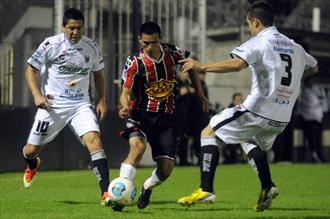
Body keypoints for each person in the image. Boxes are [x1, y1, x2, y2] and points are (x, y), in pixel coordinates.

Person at [177, 1, 318, 211]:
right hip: (282, 117)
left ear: (255, 22)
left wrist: (202, 66)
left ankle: (206, 189)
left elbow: (237, 64)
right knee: (248, 139)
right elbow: (314, 67)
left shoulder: (260, 41)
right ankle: (267, 186)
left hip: (257, 109)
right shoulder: (294, 46)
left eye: (249, 25)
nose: (249, 29)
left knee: (208, 132)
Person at [22, 8, 111, 206]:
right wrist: (37, 95)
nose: (75, 32)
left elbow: (98, 74)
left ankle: (106, 193)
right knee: (30, 151)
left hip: (80, 105)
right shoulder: (50, 45)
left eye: (79, 28)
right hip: (52, 107)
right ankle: (33, 163)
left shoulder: (91, 47)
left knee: (94, 141)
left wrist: (102, 99)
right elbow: (30, 71)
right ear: (63, 27)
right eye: (71, 28)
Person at [116, 21, 207, 211]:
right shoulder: (135, 62)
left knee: (166, 169)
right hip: (141, 116)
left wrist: (200, 94)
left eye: (154, 42)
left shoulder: (173, 52)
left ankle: (147, 187)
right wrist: (124, 106)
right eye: (146, 43)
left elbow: (191, 68)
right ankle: (119, 193)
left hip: (167, 119)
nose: (149, 47)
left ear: (160, 39)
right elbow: (125, 92)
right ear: (139, 40)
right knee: (137, 148)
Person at [297, 76, 328, 163]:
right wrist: (320, 100)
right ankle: (314, 156)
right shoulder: (305, 92)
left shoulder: (316, 90)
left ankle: (318, 156)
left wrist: (321, 100)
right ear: (306, 83)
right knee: (312, 141)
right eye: (310, 81)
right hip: (308, 120)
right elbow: (312, 103)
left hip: (318, 119)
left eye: (313, 81)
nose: (312, 83)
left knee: (318, 141)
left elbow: (325, 106)